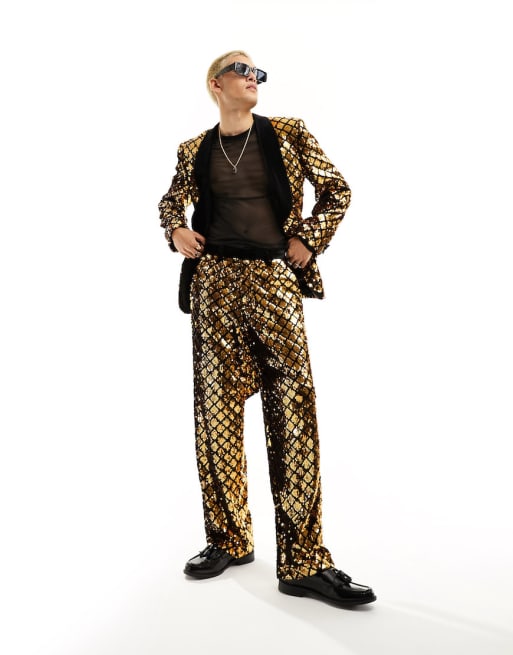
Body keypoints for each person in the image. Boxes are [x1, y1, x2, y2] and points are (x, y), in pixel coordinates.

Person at [158, 50, 376, 608]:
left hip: (273, 282)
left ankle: (304, 561)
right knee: (215, 413)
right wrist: (176, 230)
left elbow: (337, 188)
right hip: (214, 285)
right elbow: (170, 203)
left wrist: (308, 239)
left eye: (258, 72)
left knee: (293, 412)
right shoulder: (193, 149)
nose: (253, 78)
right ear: (216, 84)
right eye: (242, 69)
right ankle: (228, 539)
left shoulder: (288, 133)